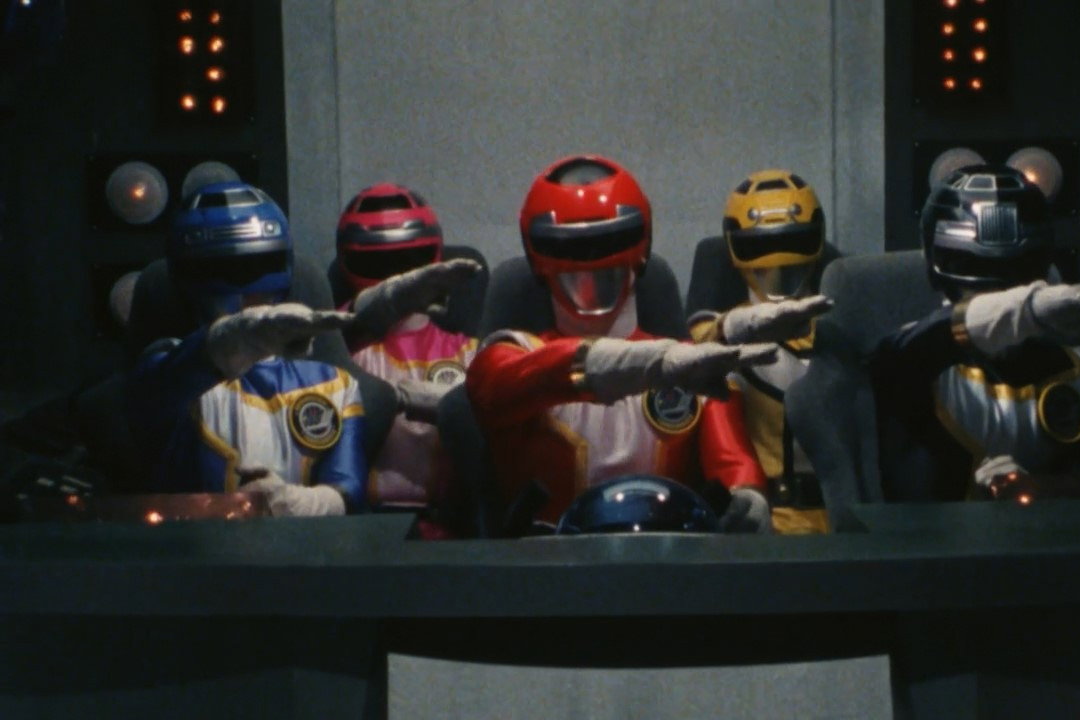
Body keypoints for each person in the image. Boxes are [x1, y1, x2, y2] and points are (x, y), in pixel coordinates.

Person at [466, 155, 776, 533]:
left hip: (670, 558)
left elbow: (733, 461)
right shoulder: (516, 355)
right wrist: (628, 364)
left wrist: (747, 499)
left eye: (607, 246)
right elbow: (488, 388)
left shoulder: (689, 364)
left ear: (640, 251)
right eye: (574, 252)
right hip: (547, 562)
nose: (590, 277)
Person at [871, 165, 1080, 501]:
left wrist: (1038, 492)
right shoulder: (908, 359)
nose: (998, 296)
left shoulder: (1079, 370)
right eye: (978, 277)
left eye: (1011, 279)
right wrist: (1027, 308)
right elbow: (909, 351)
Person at [128, 181, 367, 516]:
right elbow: (154, 395)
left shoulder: (335, 385)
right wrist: (237, 337)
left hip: (305, 545)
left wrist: (296, 502)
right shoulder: (170, 369)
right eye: (219, 268)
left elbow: (349, 490)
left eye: (256, 266)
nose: (242, 289)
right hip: (196, 543)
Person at [687, 169, 833, 533]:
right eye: (759, 248)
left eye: (794, 242)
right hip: (764, 520)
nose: (778, 265)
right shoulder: (720, 336)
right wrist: (733, 329)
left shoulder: (847, 326)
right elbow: (696, 350)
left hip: (845, 518)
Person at [334, 183, 481, 526]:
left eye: (406, 262)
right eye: (378, 263)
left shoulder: (469, 351)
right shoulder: (337, 346)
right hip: (361, 526)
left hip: (452, 529)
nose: (395, 276)